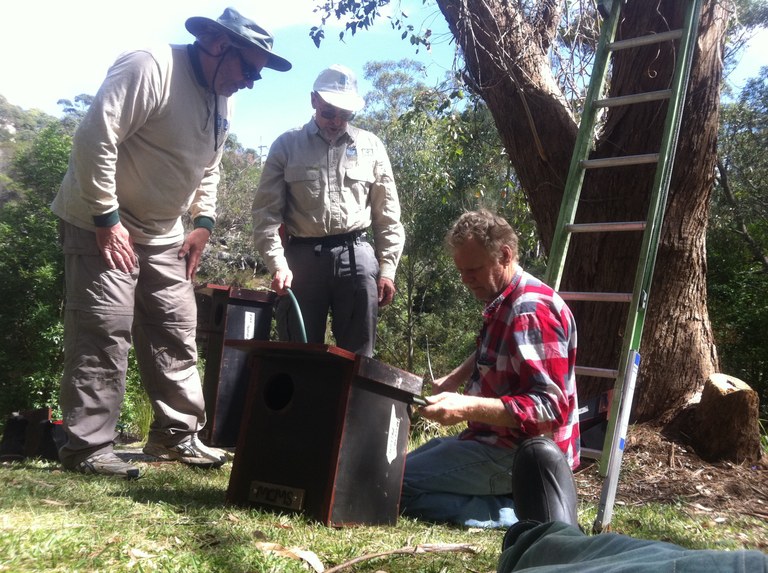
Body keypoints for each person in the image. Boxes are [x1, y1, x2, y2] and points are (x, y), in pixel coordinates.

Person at [51, 8, 291, 479]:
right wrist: (106, 217)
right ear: (217, 45)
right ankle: (88, 447)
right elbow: (96, 138)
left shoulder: (225, 96)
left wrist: (203, 221)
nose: (251, 82)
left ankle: (176, 435)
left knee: (177, 328)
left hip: (165, 232)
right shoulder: (150, 66)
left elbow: (212, 164)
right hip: (101, 221)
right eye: (249, 69)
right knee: (105, 330)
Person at [400, 209, 580, 528]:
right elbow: (502, 349)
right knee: (392, 472)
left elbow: (549, 410)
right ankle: (517, 500)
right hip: (490, 441)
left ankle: (521, 514)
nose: (465, 280)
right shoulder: (505, 300)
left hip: (524, 457)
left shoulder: (531, 312)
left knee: (396, 487)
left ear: (505, 255)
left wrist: (466, 406)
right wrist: (456, 378)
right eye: (461, 270)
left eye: (474, 269)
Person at [252, 64, 405, 357]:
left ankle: (352, 404)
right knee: (297, 353)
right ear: (314, 101)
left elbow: (388, 216)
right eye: (329, 112)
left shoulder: (371, 146)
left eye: (345, 115)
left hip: (357, 257)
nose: (336, 121)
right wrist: (277, 264)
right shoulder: (286, 146)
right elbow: (266, 215)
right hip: (302, 261)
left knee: (359, 358)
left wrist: (387, 270)